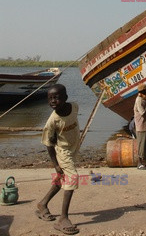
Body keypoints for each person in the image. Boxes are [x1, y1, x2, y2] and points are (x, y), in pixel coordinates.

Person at [36, 84, 80, 235]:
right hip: (62, 151)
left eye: (56, 97)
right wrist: (55, 165)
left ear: (65, 98)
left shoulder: (74, 107)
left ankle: (43, 204)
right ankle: (63, 218)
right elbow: (48, 144)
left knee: (62, 179)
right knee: (73, 178)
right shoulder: (52, 121)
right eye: (50, 98)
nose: (53, 101)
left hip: (73, 148)